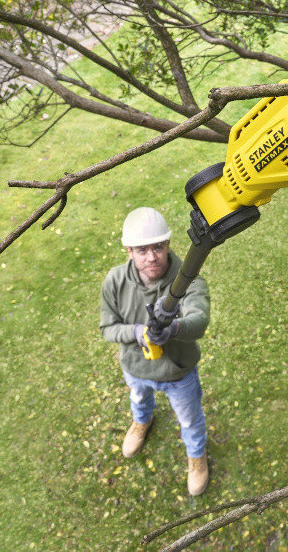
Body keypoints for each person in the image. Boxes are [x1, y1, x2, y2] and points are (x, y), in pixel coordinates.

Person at [99, 207, 211, 496]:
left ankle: (196, 457)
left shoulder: (189, 278)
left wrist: (173, 329)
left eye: (158, 247)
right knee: (138, 398)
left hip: (178, 373)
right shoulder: (114, 281)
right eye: (142, 249)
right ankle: (142, 421)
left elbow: (199, 321)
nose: (151, 257)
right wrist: (136, 333)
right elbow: (107, 328)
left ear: (168, 245)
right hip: (135, 369)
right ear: (128, 250)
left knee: (189, 419)